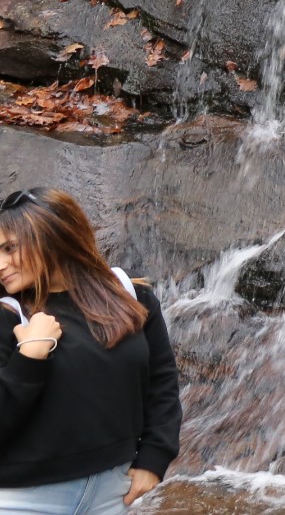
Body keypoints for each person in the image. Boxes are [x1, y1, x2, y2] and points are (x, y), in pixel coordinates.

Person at [0, 188, 180, 514]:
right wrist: (29, 356)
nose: (0, 263)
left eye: (10, 248)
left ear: (55, 236)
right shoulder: (7, 313)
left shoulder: (129, 295)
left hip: (112, 494)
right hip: (20, 500)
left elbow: (162, 382)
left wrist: (154, 457)